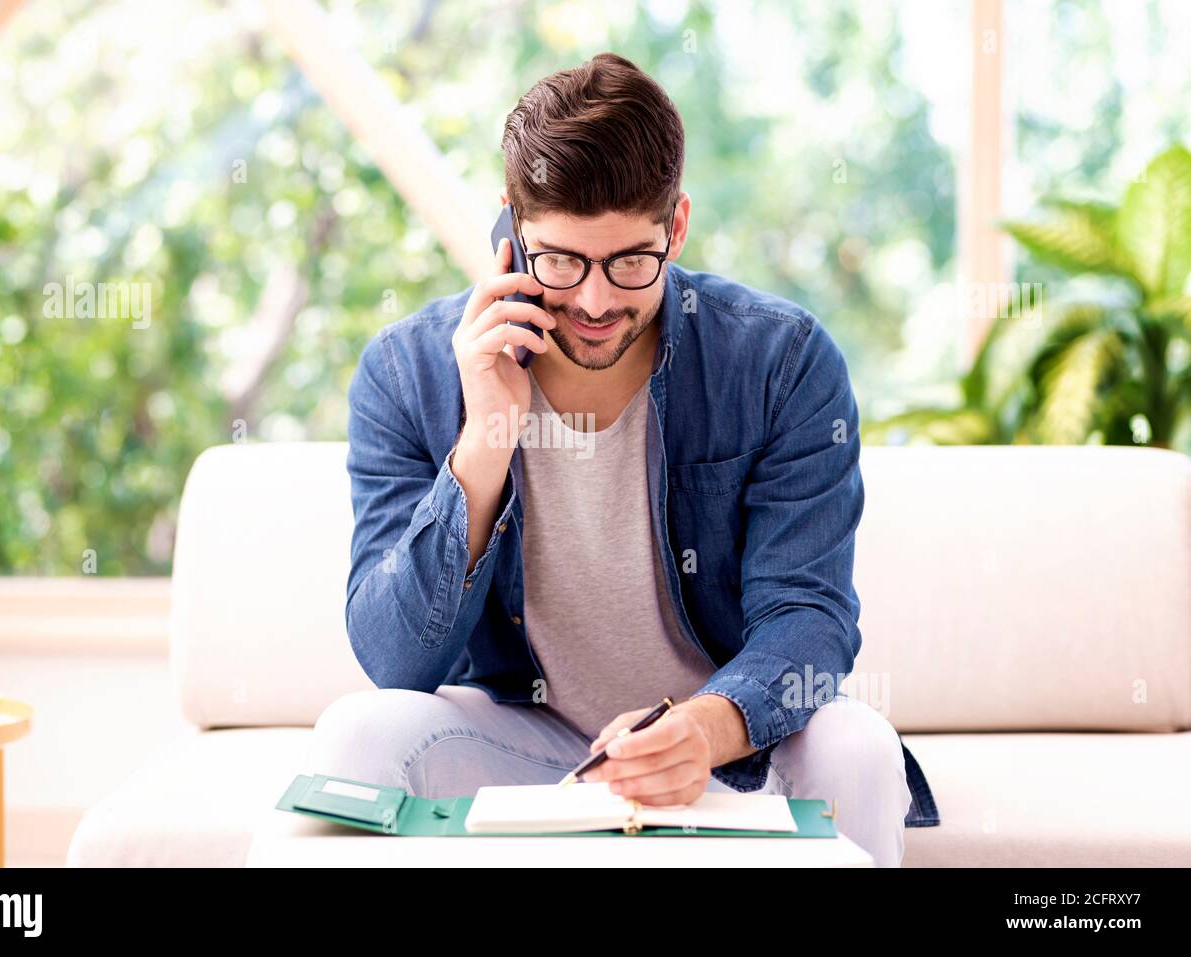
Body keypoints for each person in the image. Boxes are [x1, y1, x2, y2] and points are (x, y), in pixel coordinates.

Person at [314, 51, 939, 867]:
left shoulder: (780, 361)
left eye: (630, 261)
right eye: (562, 260)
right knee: (358, 733)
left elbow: (810, 618)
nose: (597, 301)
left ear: (676, 226)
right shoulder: (408, 373)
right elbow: (397, 661)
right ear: (510, 227)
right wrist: (486, 437)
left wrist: (704, 729)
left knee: (855, 744)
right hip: (530, 746)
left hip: (727, 749)